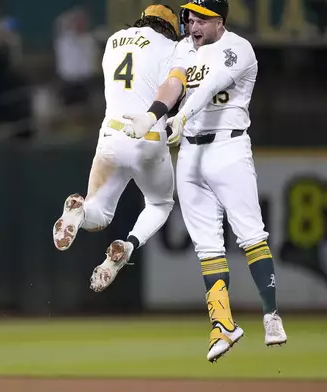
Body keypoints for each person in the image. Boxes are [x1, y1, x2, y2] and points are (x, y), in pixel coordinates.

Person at [128, 0, 287, 363]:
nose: (192, 23)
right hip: (189, 153)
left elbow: (211, 83)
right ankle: (222, 326)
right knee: (207, 248)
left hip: (229, 147)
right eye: (188, 16)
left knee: (251, 235)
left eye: (201, 18)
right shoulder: (184, 48)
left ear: (220, 21)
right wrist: (154, 113)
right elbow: (174, 82)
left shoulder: (238, 48)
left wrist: (182, 115)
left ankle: (271, 315)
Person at [52, 5, 187, 293]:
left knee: (98, 212)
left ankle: (78, 213)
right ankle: (127, 246)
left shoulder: (114, 40)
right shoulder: (172, 47)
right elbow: (174, 87)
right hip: (147, 133)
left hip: (111, 134)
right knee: (160, 204)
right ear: (169, 27)